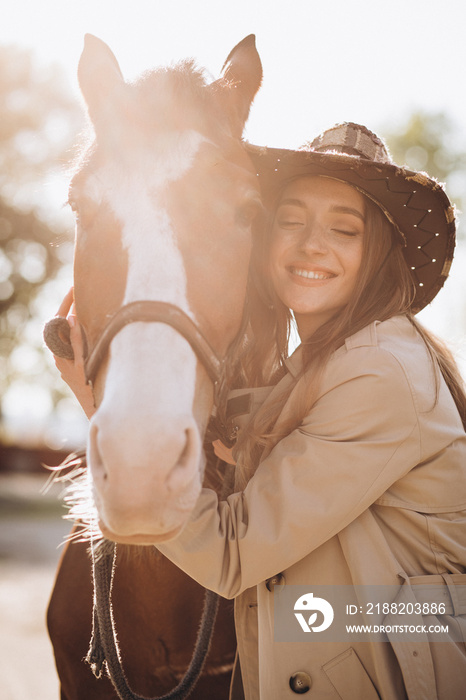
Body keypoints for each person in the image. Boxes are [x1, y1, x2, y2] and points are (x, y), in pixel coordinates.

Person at [55, 123, 466, 699]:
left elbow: (233, 553)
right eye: (290, 221)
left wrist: (97, 405)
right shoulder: (326, 363)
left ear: (378, 253)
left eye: (344, 229)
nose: (310, 245)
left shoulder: (379, 372)